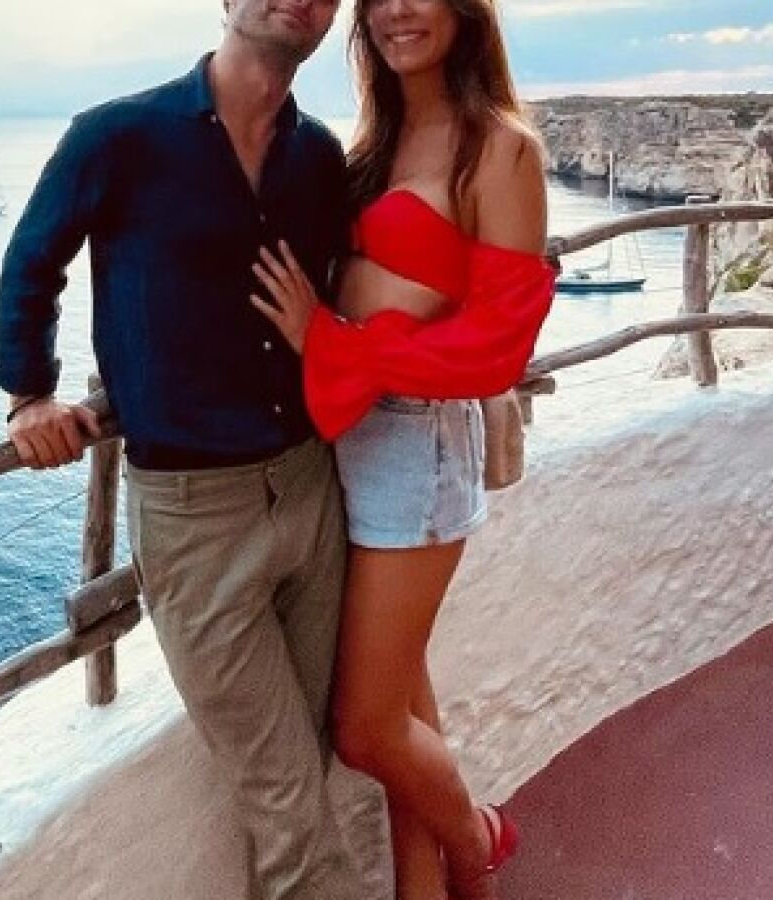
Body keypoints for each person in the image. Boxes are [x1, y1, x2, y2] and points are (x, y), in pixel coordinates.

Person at [0, 2, 365, 898]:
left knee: (309, 755)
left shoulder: (317, 157)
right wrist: (30, 393)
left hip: (310, 485)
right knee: (283, 790)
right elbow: (33, 262)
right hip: (196, 516)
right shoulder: (118, 136)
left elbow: (342, 294)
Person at [249, 1, 557, 898]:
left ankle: (476, 839)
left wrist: (335, 346)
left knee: (365, 729)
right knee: (405, 704)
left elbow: (500, 343)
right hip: (346, 436)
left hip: (415, 447)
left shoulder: (499, 147)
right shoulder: (373, 144)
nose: (394, 10)